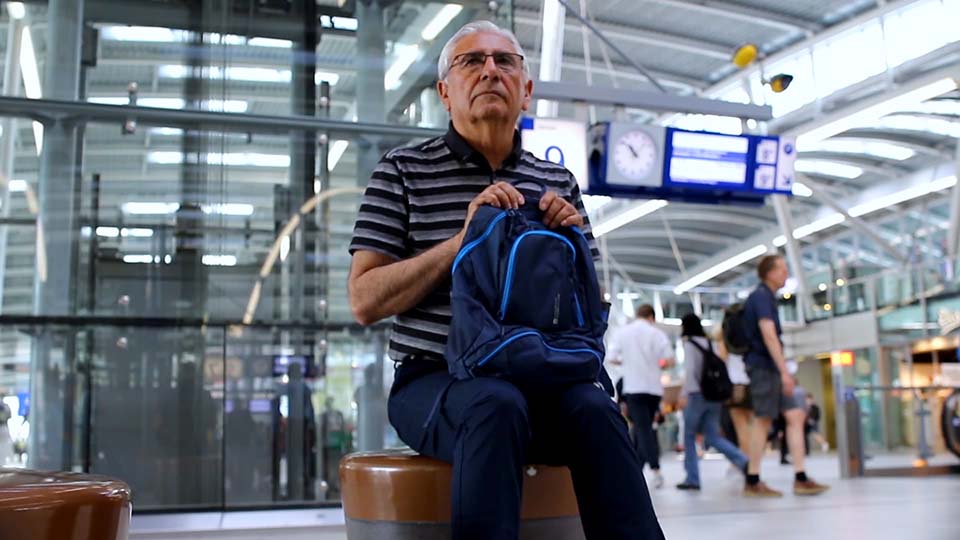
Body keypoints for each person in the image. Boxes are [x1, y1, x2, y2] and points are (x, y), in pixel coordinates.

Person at [347, 21, 663, 540]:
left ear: (527, 90)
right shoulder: (402, 170)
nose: (490, 70)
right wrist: (463, 242)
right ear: (445, 92)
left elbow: (590, 307)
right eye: (471, 61)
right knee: (496, 404)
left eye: (505, 61)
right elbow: (363, 300)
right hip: (435, 380)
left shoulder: (557, 182)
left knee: (597, 412)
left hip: (545, 377)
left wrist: (573, 251)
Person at [743, 255, 829, 497]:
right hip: (764, 368)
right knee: (762, 420)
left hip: (772, 368)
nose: (786, 274)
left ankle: (800, 476)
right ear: (769, 273)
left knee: (795, 415)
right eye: (782, 269)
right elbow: (768, 334)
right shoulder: (761, 296)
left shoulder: (767, 297)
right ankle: (752, 479)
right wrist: (784, 372)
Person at [675, 314, 748, 490]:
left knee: (689, 436)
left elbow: (692, 371)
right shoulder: (710, 343)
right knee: (713, 436)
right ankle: (743, 461)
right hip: (714, 397)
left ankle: (692, 479)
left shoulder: (690, 344)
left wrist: (684, 393)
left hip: (696, 395)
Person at [606, 304, 675, 488]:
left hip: (634, 388)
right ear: (651, 317)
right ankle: (643, 469)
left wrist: (628, 363)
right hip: (653, 389)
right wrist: (656, 365)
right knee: (644, 429)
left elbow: (611, 357)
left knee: (642, 429)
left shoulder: (623, 333)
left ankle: (650, 470)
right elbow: (670, 360)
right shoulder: (657, 334)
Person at [715, 327, 753, 456]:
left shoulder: (725, 344)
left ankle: (746, 461)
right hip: (751, 384)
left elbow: (720, 361)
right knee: (751, 426)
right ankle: (753, 461)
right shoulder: (747, 341)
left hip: (735, 387)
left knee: (740, 428)